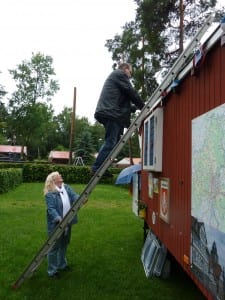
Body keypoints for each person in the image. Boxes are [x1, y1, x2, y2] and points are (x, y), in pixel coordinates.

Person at [92, 63, 145, 175]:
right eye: (130, 73)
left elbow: (120, 100)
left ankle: (102, 167)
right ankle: (97, 168)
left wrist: (133, 108)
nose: (130, 76)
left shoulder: (116, 77)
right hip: (111, 113)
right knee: (110, 141)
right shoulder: (120, 74)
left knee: (113, 142)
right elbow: (131, 92)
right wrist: (143, 107)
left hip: (109, 111)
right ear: (125, 69)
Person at [43, 171, 79, 278]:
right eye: (59, 176)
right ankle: (52, 271)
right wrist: (58, 219)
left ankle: (62, 265)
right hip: (56, 224)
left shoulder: (66, 187)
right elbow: (51, 209)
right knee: (54, 248)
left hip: (67, 222)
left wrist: (81, 200)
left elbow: (74, 196)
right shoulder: (50, 193)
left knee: (64, 244)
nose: (61, 176)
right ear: (53, 180)